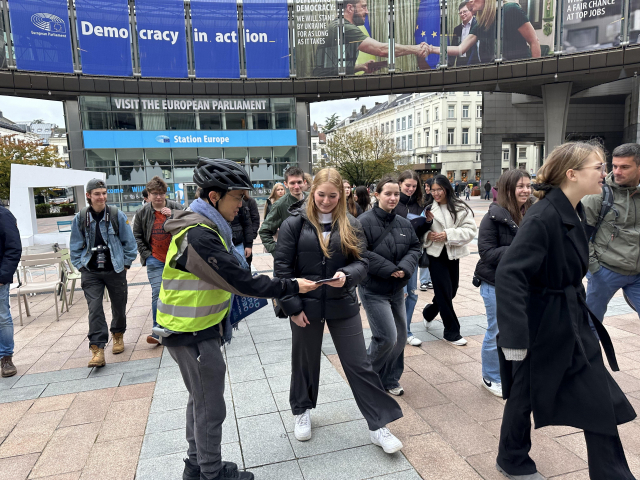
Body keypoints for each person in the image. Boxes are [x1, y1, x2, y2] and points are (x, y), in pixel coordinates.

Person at [157, 158, 319, 480]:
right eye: (237, 197)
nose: (242, 204)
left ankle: (196, 465)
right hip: (191, 332)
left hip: (193, 329)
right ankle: (211, 473)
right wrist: (290, 285)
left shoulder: (205, 227)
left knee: (200, 401)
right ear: (214, 196)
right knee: (210, 406)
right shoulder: (200, 235)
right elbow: (239, 280)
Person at [495, 142, 636, 480]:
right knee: (525, 393)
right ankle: (511, 457)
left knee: (598, 396)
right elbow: (510, 273)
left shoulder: (573, 209)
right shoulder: (543, 216)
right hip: (542, 324)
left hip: (569, 319)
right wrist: (514, 337)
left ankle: (612, 474)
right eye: (598, 167)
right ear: (572, 174)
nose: (604, 174)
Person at [274, 168, 405, 453]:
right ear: (312, 191)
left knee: (359, 364)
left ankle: (378, 424)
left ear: (341, 196)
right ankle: (302, 410)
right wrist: (292, 308)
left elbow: (363, 263)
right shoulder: (294, 223)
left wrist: (347, 275)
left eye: (333, 196)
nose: (326, 201)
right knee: (304, 361)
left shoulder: (350, 223)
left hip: (342, 303)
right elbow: (282, 270)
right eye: (321, 195)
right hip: (305, 306)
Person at [473, 170, 533, 398]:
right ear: (508, 189)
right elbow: (487, 253)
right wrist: (521, 249)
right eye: (520, 186)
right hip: (495, 283)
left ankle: (516, 372)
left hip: (523, 283)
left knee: (523, 329)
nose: (526, 190)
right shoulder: (493, 216)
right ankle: (491, 376)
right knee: (496, 330)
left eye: (528, 186)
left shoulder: (533, 212)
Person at [359, 175, 420, 395]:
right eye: (388, 194)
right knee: (387, 337)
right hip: (373, 289)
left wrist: (404, 268)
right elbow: (360, 252)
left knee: (400, 338)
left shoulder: (404, 222)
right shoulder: (363, 221)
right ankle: (365, 377)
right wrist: (390, 269)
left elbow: (415, 247)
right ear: (377, 195)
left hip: (397, 288)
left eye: (396, 194)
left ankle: (390, 378)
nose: (393, 198)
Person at [70, 179, 137, 367]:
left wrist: (126, 264)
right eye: (97, 194)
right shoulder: (80, 218)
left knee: (119, 305)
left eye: (104, 193)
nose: (102, 197)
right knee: (95, 308)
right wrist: (80, 266)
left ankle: (118, 333)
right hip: (91, 271)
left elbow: (129, 243)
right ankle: (97, 349)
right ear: (88, 196)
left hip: (115, 269)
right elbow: (75, 246)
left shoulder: (116, 215)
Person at [583, 143, 640, 322]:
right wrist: (594, 268)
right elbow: (580, 234)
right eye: (614, 166)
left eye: (624, 167)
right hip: (605, 271)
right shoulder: (598, 193)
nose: (617, 172)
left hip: (638, 273)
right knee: (592, 324)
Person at [422, 175, 477, 346]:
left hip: (453, 254)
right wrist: (428, 235)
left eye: (439, 189)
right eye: (433, 190)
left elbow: (470, 230)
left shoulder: (460, 207)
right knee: (444, 292)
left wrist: (448, 234)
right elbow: (418, 230)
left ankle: (429, 312)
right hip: (435, 254)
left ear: (447, 188)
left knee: (451, 291)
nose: (436, 193)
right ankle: (452, 331)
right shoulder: (428, 207)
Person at [133, 176, 184, 344]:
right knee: (158, 293)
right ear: (148, 195)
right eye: (155, 193)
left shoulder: (176, 207)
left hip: (176, 258)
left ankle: (178, 327)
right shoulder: (142, 212)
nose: (159, 197)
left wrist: (174, 215)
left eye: (161, 193)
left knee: (177, 293)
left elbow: (190, 222)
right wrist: (147, 255)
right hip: (154, 259)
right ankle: (158, 331)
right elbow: (137, 235)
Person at [314, 0, 429, 76]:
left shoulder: (340, 25)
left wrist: (362, 67)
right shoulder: (343, 27)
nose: (367, 12)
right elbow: (382, 50)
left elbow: (332, 68)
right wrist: (416, 49)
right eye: (363, 7)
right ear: (350, 8)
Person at [394, 170, 431, 347]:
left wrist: (428, 222)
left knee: (412, 294)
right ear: (400, 184)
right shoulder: (393, 202)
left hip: (412, 254)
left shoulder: (419, 205)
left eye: (414, 186)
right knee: (398, 295)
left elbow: (420, 231)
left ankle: (406, 331)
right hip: (394, 255)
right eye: (407, 185)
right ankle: (395, 331)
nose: (410, 189)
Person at [259, 167, 306, 255]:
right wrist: (278, 252)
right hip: (293, 256)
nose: (296, 186)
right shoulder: (280, 205)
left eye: (299, 182)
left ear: (304, 182)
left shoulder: (312, 199)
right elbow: (264, 231)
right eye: (292, 183)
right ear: (286, 184)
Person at [0, 204, 21, 378]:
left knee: (2, 317)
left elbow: (13, 247)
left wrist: (3, 276)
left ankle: (6, 358)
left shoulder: (3, 215)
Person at [448, 2, 478, 67]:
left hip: (474, 61)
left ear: (471, 11)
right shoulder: (457, 29)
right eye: (460, 13)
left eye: (465, 11)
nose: (462, 14)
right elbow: (454, 46)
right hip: (460, 62)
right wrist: (449, 66)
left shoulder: (477, 25)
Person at [420, 179, 434, 291]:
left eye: (428, 186)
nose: (426, 189)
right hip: (425, 232)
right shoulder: (423, 200)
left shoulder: (437, 201)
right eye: (425, 186)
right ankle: (424, 280)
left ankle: (429, 280)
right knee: (425, 256)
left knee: (432, 257)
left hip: (436, 233)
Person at [230, 197, 254, 261]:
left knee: (242, 264)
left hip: (238, 242)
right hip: (222, 243)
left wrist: (248, 245)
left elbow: (247, 224)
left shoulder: (241, 202)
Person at [243, 191, 260, 265]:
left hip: (246, 238)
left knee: (246, 263)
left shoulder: (250, 201)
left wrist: (250, 238)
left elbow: (255, 220)